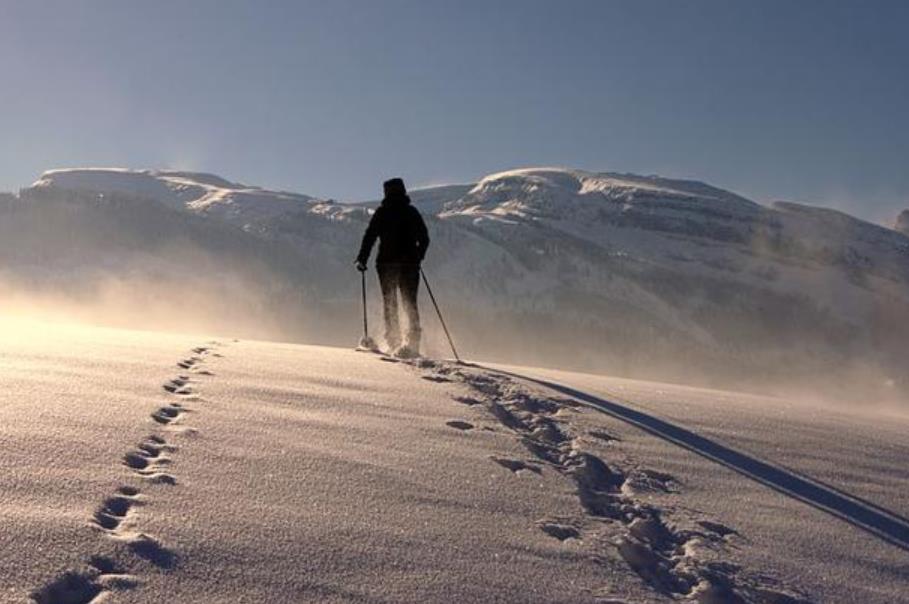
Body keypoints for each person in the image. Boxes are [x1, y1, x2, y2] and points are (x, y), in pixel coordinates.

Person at [356, 178, 430, 357]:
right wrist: (417, 257)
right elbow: (425, 238)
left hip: (386, 264)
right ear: (403, 191)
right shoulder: (411, 212)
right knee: (410, 302)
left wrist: (362, 259)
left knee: (390, 303)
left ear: (386, 193)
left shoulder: (382, 213)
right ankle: (413, 344)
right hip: (409, 266)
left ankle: (394, 341)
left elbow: (370, 237)